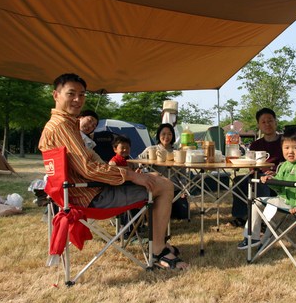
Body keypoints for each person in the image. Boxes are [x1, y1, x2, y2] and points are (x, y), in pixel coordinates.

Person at [38, 73, 188, 270]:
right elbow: (89, 169)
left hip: (77, 192)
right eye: (71, 94)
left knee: (155, 178)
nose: (77, 100)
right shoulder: (61, 127)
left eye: (82, 95)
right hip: (91, 195)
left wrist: (132, 175)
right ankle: (158, 250)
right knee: (165, 186)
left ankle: (157, 242)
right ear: (56, 95)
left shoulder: (62, 124)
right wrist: (131, 175)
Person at [237, 125, 296, 249]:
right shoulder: (285, 165)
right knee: (265, 211)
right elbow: (280, 186)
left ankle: (252, 238)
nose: (290, 152)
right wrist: (271, 181)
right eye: (286, 147)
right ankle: (262, 243)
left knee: (256, 204)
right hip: (284, 200)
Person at [230, 108, 285, 226]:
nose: (267, 124)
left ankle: (264, 220)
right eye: (263, 122)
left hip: (279, 176)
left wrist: (276, 173)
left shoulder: (284, 141)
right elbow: (251, 164)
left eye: (270, 121)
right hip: (258, 174)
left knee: (261, 183)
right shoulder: (255, 144)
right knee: (238, 181)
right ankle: (241, 216)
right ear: (259, 125)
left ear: (276, 122)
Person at [139, 123, 189, 219]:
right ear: (158, 135)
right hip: (158, 189)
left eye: (169, 134)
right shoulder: (151, 150)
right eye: (163, 134)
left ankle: (168, 209)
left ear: (173, 136)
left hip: (175, 190)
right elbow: (138, 162)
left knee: (183, 215)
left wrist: (184, 190)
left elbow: (183, 175)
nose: (166, 137)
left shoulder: (177, 152)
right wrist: (143, 165)